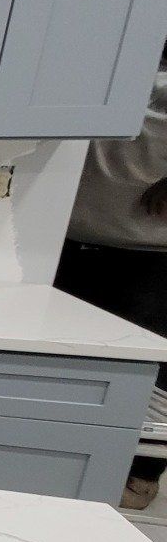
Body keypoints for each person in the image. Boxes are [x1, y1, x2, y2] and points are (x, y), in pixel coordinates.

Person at [54, 54, 167, 508]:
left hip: (150, 252)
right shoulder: (111, 59)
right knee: (68, 362)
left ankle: (141, 474)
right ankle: (67, 456)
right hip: (66, 238)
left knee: (153, 369)